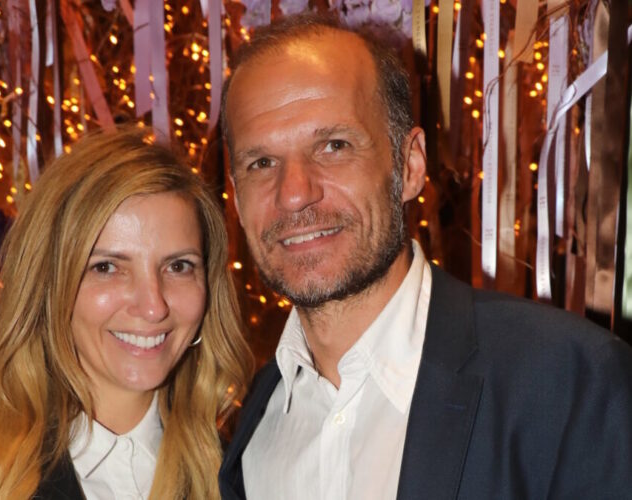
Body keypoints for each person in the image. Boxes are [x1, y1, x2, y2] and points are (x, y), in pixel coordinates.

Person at [218, 13, 632, 500]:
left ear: (410, 164)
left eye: (333, 146)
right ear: (237, 197)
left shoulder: (567, 380)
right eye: (261, 162)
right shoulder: (251, 424)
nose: (293, 194)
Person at [0, 129, 254, 499]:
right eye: (106, 267)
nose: (153, 306)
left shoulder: (247, 479)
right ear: (47, 284)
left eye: (178, 266)